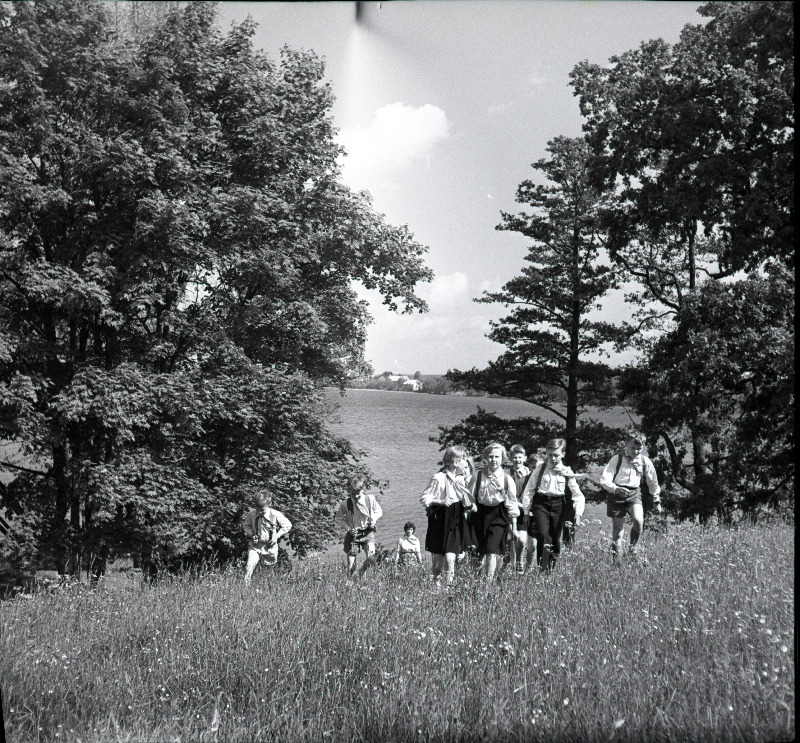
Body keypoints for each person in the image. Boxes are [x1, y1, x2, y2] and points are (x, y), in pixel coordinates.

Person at [519, 438, 584, 572]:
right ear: (546, 454)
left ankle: (549, 570)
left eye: (556, 455)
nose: (553, 458)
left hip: (559, 505)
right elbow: (529, 490)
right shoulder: (540, 468)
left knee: (555, 539)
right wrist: (526, 511)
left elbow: (577, 494)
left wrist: (578, 513)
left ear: (563, 455)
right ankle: (541, 567)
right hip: (541, 503)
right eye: (550, 455)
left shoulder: (567, 471)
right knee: (543, 534)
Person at [599, 430, 662, 561]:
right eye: (632, 447)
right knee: (618, 531)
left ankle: (633, 549)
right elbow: (604, 480)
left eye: (639, 448)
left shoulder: (645, 462)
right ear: (626, 444)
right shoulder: (617, 459)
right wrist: (616, 489)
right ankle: (617, 560)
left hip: (634, 493)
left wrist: (656, 499)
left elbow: (653, 481)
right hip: (616, 494)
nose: (635, 451)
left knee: (639, 521)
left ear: (643, 446)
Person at [420, 445, 472, 585]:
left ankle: (448, 588)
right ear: (456, 462)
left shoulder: (460, 480)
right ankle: (436, 586)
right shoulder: (438, 478)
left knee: (450, 559)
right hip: (440, 521)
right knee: (437, 561)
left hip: (455, 520)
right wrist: (441, 501)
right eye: (464, 460)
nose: (466, 463)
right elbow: (424, 498)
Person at [468, 442, 520, 581]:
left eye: (497, 457)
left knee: (492, 550)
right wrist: (469, 507)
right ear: (485, 457)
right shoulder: (477, 476)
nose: (494, 460)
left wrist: (514, 527)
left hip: (498, 515)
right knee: (478, 552)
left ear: (502, 458)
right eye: (490, 456)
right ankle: (476, 579)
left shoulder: (507, 480)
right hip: (479, 514)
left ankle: (488, 583)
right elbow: (469, 498)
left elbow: (512, 504)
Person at [334, 475, 383, 577]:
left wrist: (373, 520)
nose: (356, 496)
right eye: (353, 494)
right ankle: (351, 580)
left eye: (358, 494)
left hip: (367, 532)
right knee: (351, 565)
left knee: (371, 558)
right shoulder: (344, 504)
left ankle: (360, 574)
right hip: (353, 535)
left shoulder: (370, 499)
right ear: (348, 491)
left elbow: (379, 511)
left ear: (363, 490)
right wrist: (348, 529)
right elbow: (338, 520)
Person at [243, 490, 292, 584]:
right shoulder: (251, 514)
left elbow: (288, 525)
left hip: (270, 546)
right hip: (255, 545)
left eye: (263, 510)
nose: (260, 512)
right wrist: (252, 535)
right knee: (249, 566)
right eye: (258, 509)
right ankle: (245, 587)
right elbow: (246, 526)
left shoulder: (275, 514)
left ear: (269, 505)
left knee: (268, 569)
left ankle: (266, 587)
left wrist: (276, 536)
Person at [507, 444, 532, 574]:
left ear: (525, 458)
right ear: (510, 458)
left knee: (522, 541)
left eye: (520, 457)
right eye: (514, 457)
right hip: (511, 511)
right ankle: (515, 565)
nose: (517, 460)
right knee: (514, 538)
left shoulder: (531, 473)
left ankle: (519, 561)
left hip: (526, 512)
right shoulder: (507, 474)